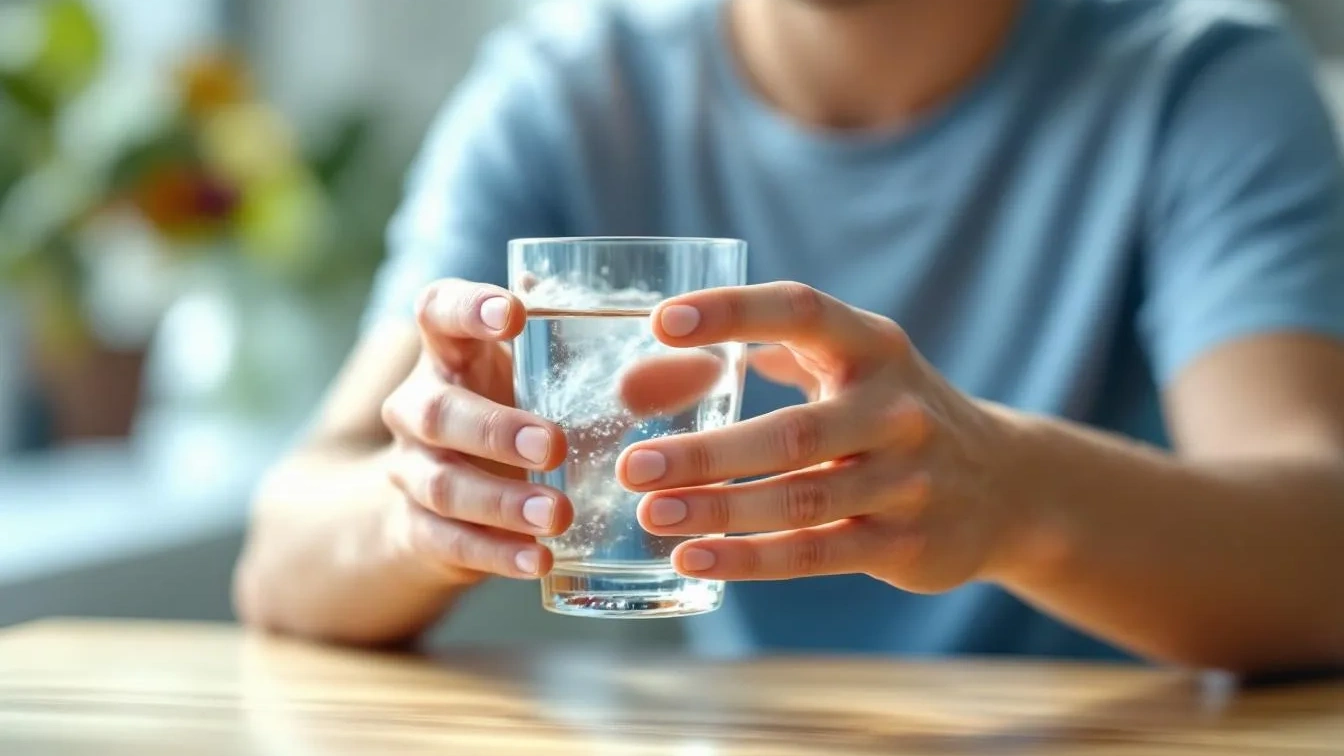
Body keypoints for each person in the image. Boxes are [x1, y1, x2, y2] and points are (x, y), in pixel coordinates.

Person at [233, 0, 1344, 672]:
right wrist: (430, 507)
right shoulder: (566, 92)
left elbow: (1320, 554)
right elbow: (284, 555)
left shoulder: (1198, 80)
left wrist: (1006, 489)